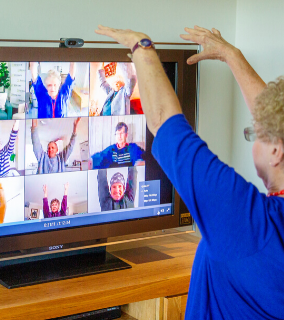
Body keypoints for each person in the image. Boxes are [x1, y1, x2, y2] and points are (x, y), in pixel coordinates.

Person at [95, 24, 284, 319]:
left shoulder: (249, 223)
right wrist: (231, 55)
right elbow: (276, 120)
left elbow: (163, 122)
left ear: (276, 150)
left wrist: (139, 45)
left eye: (254, 133)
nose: (254, 138)